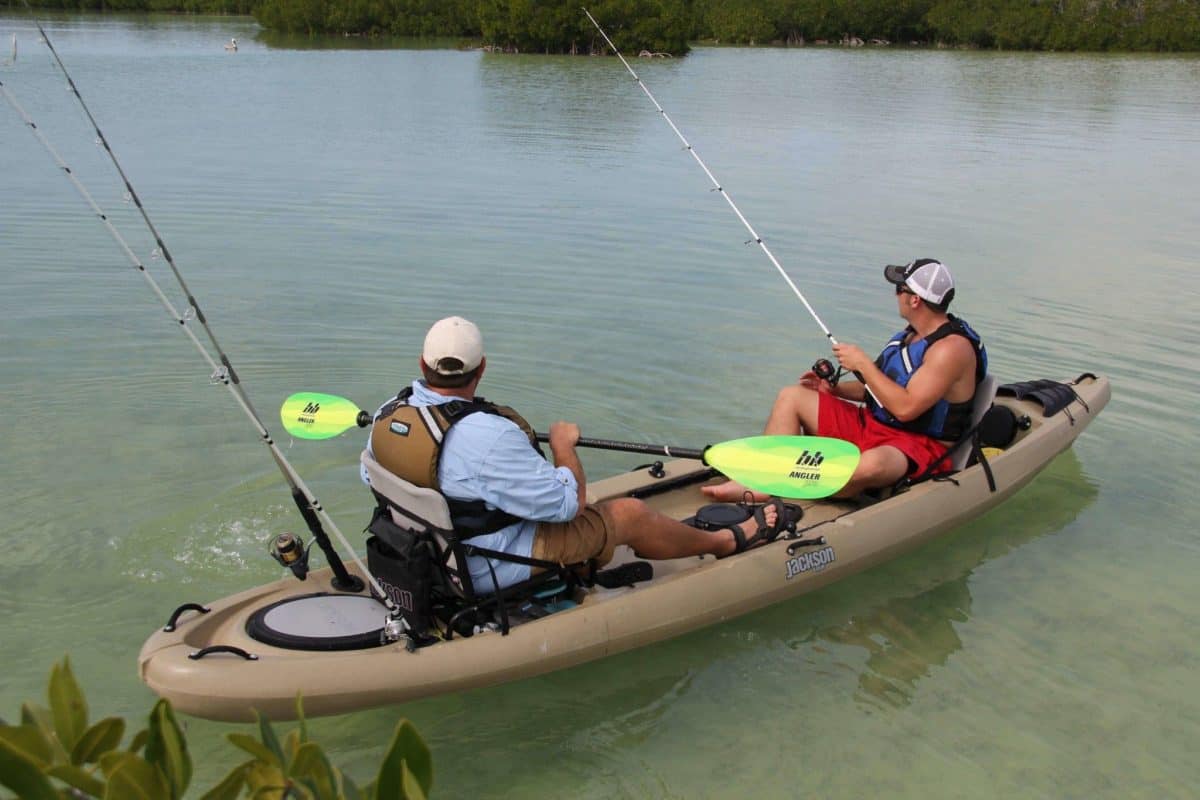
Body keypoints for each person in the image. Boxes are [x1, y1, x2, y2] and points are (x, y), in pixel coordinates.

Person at [363, 316, 779, 593]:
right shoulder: (489, 437)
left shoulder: (389, 414)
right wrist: (563, 446)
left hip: (423, 553)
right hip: (484, 565)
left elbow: (372, 477)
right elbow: (566, 505)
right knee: (624, 513)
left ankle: (585, 562)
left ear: (422, 364)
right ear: (482, 368)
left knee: (510, 496)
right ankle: (726, 541)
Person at [703, 258, 987, 501]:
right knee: (792, 396)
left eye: (899, 288)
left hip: (915, 446)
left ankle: (791, 485)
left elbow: (906, 408)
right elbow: (877, 392)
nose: (895, 294)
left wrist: (862, 363)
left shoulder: (950, 350)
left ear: (914, 299)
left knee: (870, 466)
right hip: (873, 426)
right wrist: (835, 389)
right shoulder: (910, 334)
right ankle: (764, 481)